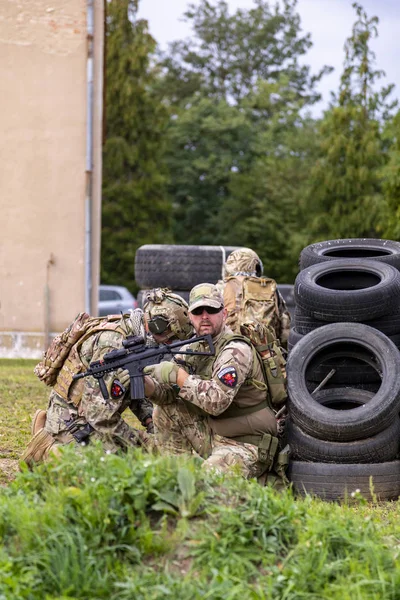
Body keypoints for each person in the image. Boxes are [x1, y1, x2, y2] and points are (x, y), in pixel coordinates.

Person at [22, 289, 193, 466]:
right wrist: (143, 442)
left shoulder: (132, 335)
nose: (169, 345)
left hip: (85, 416)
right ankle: (47, 449)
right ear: (159, 325)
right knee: (114, 466)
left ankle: (50, 437)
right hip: (73, 422)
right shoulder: (114, 344)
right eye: (171, 338)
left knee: (139, 455)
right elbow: (99, 415)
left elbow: (133, 383)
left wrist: (150, 421)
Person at [144, 283, 280, 480]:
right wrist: (145, 382)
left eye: (212, 310)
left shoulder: (236, 350)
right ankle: (175, 477)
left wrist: (176, 375)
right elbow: (167, 396)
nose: (205, 316)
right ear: (190, 317)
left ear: (224, 314)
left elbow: (216, 402)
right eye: (198, 311)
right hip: (216, 435)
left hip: (248, 443)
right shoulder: (194, 348)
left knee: (209, 481)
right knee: (165, 410)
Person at [216, 247, 291, 349]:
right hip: (265, 354)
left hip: (228, 351)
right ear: (256, 266)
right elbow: (285, 327)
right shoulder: (269, 288)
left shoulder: (219, 288)